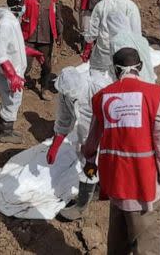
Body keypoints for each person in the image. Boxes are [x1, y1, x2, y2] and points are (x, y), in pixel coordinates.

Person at [82, 47, 160, 254]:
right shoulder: (156, 95)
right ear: (140, 67)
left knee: (118, 247)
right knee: (146, 248)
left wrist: (89, 161)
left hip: (116, 186)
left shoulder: (102, 97)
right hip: (144, 190)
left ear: (115, 70)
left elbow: (91, 142)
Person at [46, 67, 112, 220]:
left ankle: (81, 205)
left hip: (107, 128)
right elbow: (64, 120)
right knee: (89, 162)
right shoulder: (64, 91)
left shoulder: (98, 87)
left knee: (96, 162)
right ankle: (96, 187)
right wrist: (55, 145)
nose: (70, 97)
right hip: (86, 130)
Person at [82, 0, 141, 77]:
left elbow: (92, 33)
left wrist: (87, 42)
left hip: (103, 52)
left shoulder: (101, 5)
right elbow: (136, 33)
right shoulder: (131, 7)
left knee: (98, 79)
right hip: (124, 53)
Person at [0, 0, 29, 144]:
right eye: (22, 4)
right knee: (12, 100)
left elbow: (15, 47)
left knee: (11, 100)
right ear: (17, 5)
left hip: (12, 70)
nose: (23, 7)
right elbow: (0, 54)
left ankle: (6, 128)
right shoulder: (6, 24)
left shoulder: (13, 20)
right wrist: (12, 75)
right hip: (6, 72)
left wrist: (32, 52)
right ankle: (6, 133)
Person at [22, 0, 62, 101]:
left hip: (45, 36)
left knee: (46, 65)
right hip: (29, 36)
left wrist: (59, 33)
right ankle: (19, 84)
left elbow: (57, 16)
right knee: (25, 64)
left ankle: (44, 88)